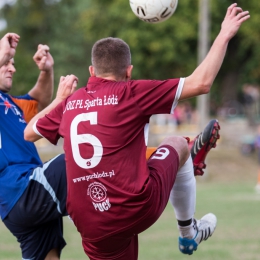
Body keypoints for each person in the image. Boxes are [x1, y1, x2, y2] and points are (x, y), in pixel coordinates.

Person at [24, 3, 250, 259]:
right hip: (135, 207)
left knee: (133, 155)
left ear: (91, 71)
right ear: (128, 72)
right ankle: (189, 232)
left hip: (89, 223)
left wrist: (59, 99)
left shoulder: (70, 103)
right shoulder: (130, 93)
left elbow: (29, 132)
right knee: (178, 142)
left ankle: (179, 166)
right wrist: (224, 34)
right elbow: (202, 82)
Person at [0, 32, 68, 260]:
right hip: (22, 189)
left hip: (28, 195)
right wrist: (4, 53)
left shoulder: (10, 103)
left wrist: (46, 70)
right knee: (80, 159)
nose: (12, 68)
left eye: (12, 64)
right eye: (6, 65)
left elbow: (40, 100)